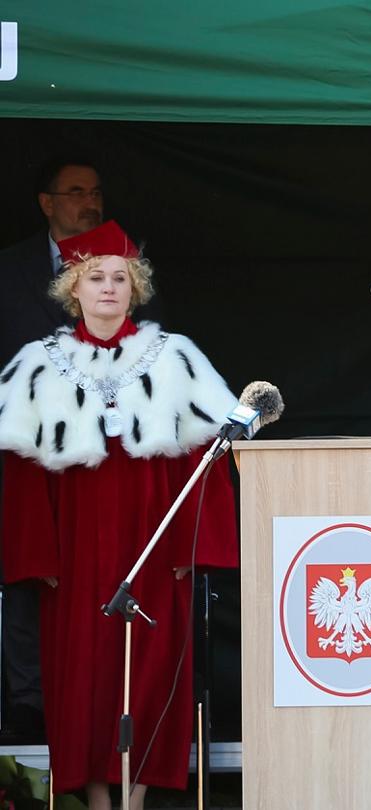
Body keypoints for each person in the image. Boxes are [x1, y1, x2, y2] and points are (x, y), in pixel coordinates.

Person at [0, 221, 239, 810]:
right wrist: (38, 554)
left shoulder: (175, 359)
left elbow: (203, 462)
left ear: (136, 288)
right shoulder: (40, 364)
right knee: (86, 674)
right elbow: (23, 472)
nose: (109, 288)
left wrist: (191, 547)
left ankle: (133, 799)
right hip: (77, 548)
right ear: (72, 288)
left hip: (152, 541)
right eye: (96, 278)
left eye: (120, 279)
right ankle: (98, 799)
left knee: (149, 669)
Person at [0, 154, 111, 739]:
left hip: (102, 458)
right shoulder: (10, 269)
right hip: (25, 453)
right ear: (47, 203)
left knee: (96, 574)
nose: (88, 202)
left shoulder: (123, 269)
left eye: (94, 192)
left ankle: (91, 701)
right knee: (27, 572)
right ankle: (27, 707)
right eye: (75, 192)